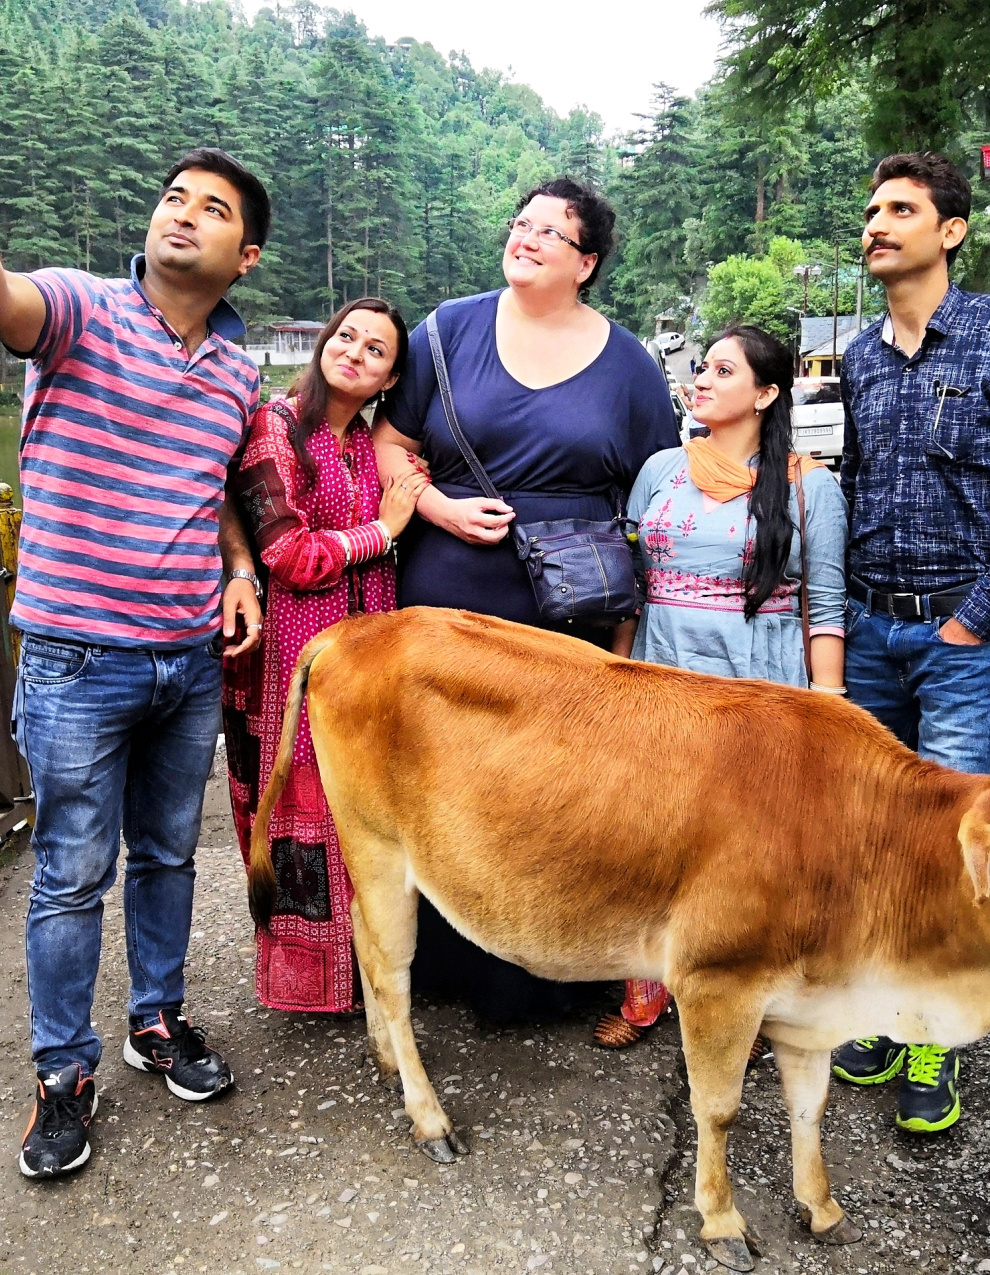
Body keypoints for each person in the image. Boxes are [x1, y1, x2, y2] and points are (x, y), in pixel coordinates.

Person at [0, 117, 270, 1178]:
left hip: (185, 658)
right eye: (176, 195)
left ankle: (157, 1021)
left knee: (170, 856)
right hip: (77, 658)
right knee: (70, 875)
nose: (184, 213)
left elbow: (216, 486)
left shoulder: (233, 371)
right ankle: (61, 1073)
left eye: (213, 209)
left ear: (246, 256)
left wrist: (234, 568)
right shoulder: (83, 308)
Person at [372, 176, 680, 1023]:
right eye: (520, 223)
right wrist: (434, 504)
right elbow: (390, 444)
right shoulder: (446, 331)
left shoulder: (629, 365)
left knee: (554, 789)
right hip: (446, 595)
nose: (527, 237)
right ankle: (443, 966)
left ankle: (553, 969)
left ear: (586, 262)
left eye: (551, 231)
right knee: (446, 782)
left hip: (567, 612)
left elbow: (660, 489)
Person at [831, 152, 990, 1132]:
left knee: (951, 844)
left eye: (900, 208)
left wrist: (973, 617)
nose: (876, 224)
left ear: (950, 231)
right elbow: (856, 491)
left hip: (957, 637)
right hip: (866, 627)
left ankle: (933, 1034)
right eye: (869, 210)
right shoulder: (855, 358)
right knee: (870, 837)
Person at [592, 325, 849, 1050]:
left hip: (755, 695)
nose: (700, 379)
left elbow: (823, 607)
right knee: (649, 839)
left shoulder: (810, 486)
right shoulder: (660, 471)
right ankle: (645, 987)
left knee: (748, 852)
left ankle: (754, 995)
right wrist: (619, 678)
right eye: (701, 367)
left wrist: (827, 712)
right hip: (662, 683)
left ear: (766, 393)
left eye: (722, 370)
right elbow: (632, 592)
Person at [223, 299, 429, 1014]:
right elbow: (287, 553)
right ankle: (311, 983)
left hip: (365, 654)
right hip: (295, 655)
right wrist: (383, 530)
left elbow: (409, 494)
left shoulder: (365, 440)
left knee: (366, 805)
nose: (354, 352)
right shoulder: (277, 428)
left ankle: (374, 971)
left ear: (388, 378)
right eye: (346, 336)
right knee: (302, 804)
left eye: (375, 350)